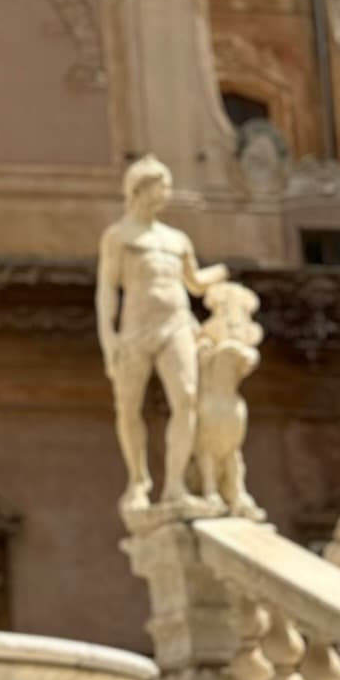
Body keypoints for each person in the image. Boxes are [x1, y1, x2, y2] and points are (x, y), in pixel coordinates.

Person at [96, 155, 226, 514]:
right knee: (128, 406)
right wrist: (109, 338)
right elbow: (107, 290)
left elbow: (195, 283)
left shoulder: (176, 239)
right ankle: (138, 480)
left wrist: (221, 273)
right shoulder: (119, 237)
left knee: (186, 398)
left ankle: (175, 485)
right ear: (141, 188)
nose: (167, 193)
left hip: (177, 323)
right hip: (135, 327)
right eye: (162, 185)